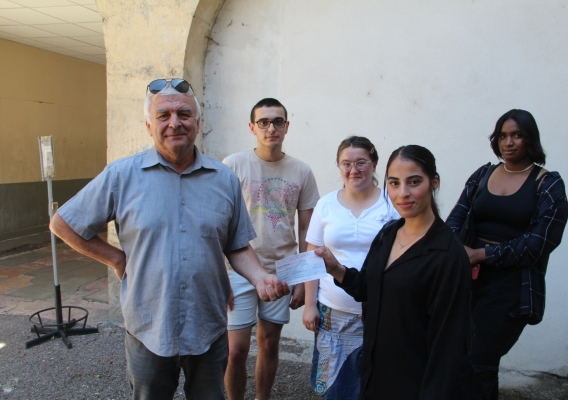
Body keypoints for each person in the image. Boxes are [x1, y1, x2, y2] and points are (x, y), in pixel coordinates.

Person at [49, 79, 289, 400]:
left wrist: (260, 277)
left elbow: (237, 244)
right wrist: (116, 258)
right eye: (163, 115)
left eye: (184, 114)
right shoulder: (122, 175)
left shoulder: (224, 179)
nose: (174, 123)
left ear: (198, 123)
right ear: (149, 125)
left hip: (209, 326)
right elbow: (63, 223)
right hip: (149, 326)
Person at [314, 145, 471, 399]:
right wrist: (336, 268)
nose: (403, 193)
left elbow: (449, 347)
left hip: (413, 382)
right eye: (394, 183)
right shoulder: (388, 233)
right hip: (377, 375)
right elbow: (368, 288)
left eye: (414, 182)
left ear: (434, 182)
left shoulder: (447, 255)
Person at [446, 109, 568, 400]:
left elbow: (539, 243)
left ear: (530, 139)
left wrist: (482, 254)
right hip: (468, 280)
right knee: (458, 359)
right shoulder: (482, 175)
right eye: (503, 135)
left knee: (478, 362)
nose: (508, 142)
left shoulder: (548, 185)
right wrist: (458, 249)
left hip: (512, 286)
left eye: (517, 135)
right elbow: (455, 219)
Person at [222, 98, 320, 400]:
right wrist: (217, 275)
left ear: (287, 126)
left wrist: (304, 280)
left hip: (283, 270)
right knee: (236, 350)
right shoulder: (233, 165)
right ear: (252, 127)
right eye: (263, 122)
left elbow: (308, 230)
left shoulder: (301, 171)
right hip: (238, 270)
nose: (271, 128)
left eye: (277, 121)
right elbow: (218, 225)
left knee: (269, 343)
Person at [302, 136, 398, 399]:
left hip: (378, 312)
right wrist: (311, 305)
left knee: (373, 383)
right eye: (346, 163)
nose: (353, 169)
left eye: (361, 162)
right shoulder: (327, 204)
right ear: (338, 166)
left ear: (374, 164)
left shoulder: (392, 204)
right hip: (333, 313)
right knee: (334, 384)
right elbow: (313, 256)